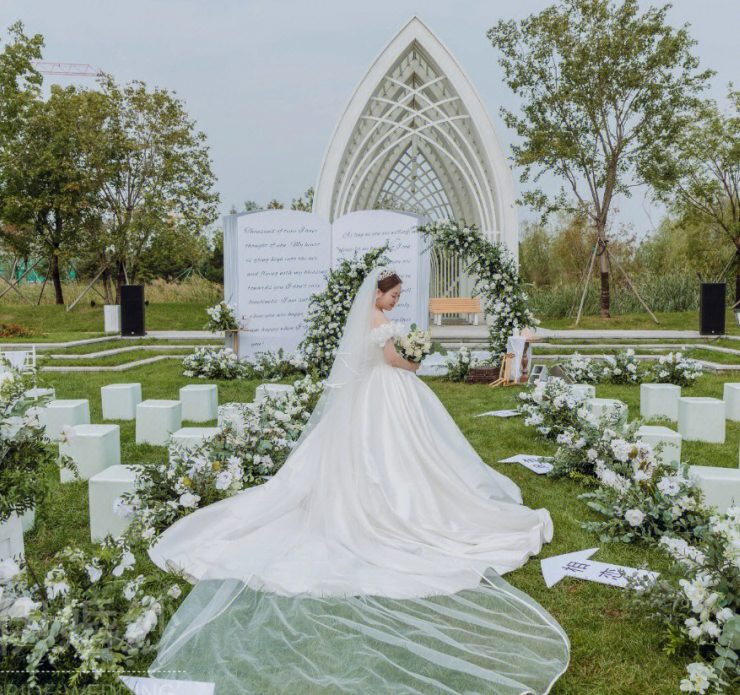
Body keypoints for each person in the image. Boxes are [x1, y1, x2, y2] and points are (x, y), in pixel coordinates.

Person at [144, 266, 568, 695]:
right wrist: (414, 361)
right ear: (379, 293)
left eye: (399, 296)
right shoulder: (379, 322)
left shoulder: (371, 319)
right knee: (390, 453)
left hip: (375, 392)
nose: (396, 301)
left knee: (390, 451)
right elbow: (390, 360)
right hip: (386, 389)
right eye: (393, 295)